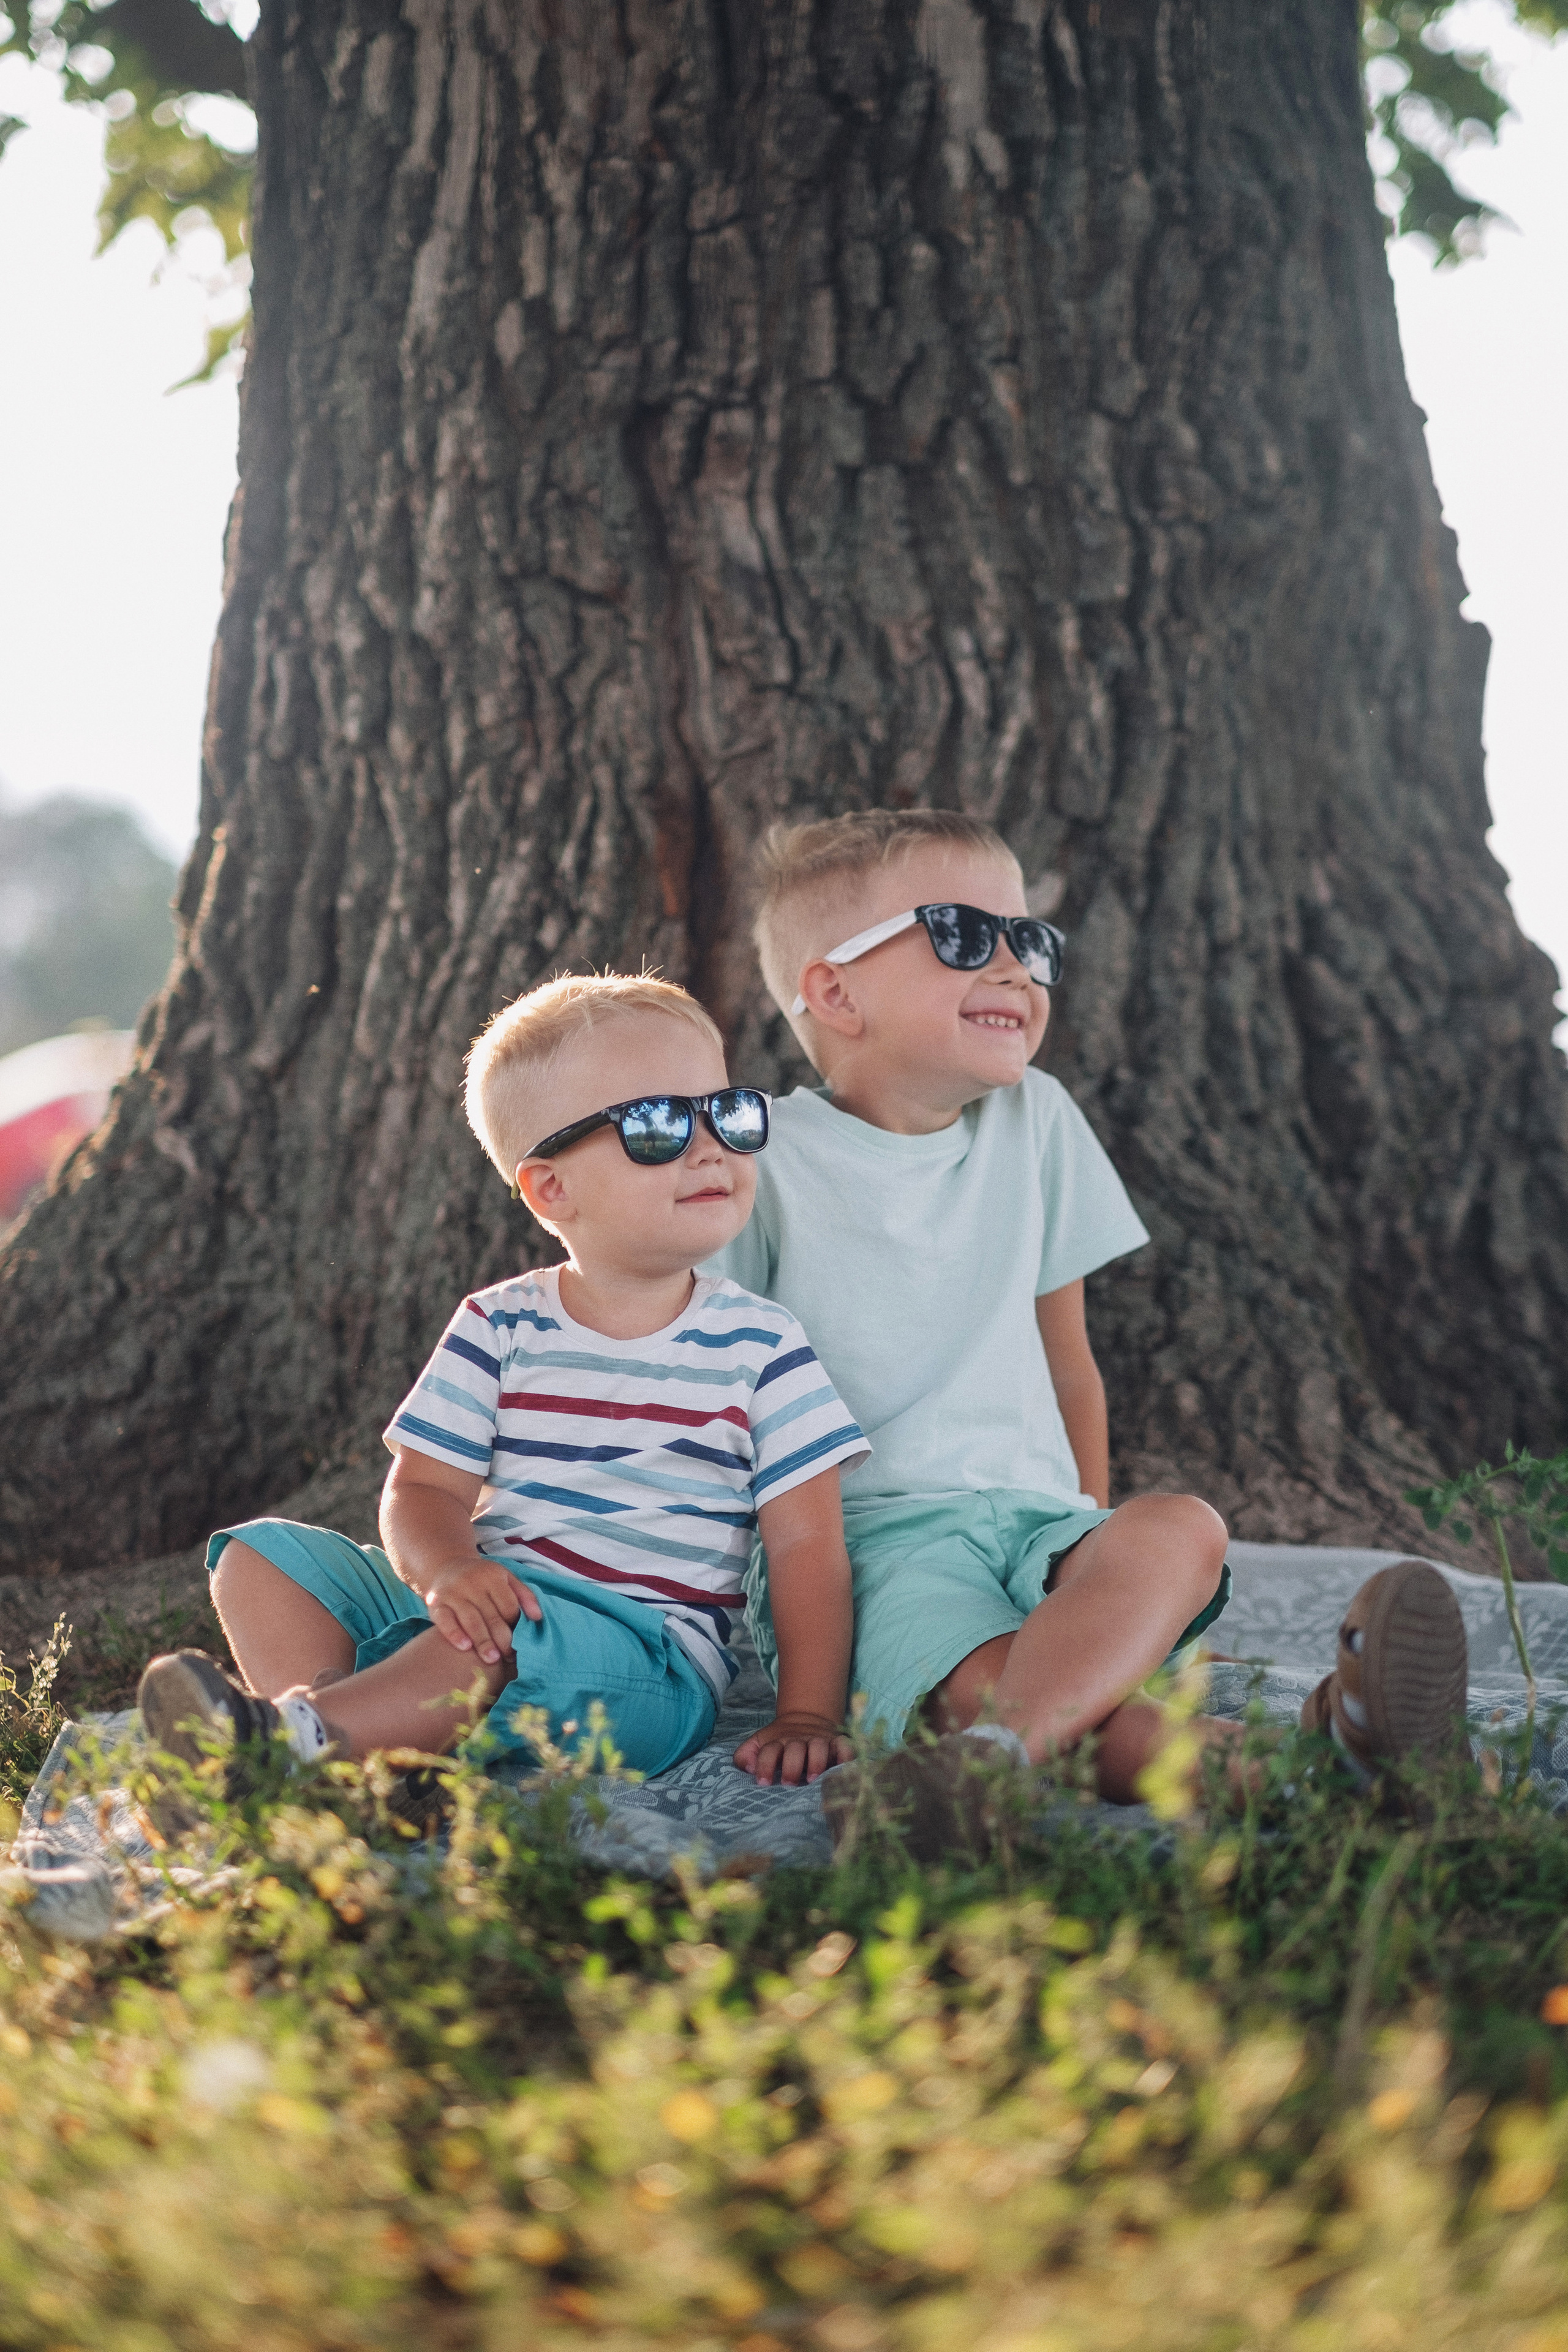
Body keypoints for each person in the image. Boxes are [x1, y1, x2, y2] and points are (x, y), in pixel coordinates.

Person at [709, 809, 1471, 1855]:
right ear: (835, 992)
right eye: (963, 936)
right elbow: (711, 1394)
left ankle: (1016, 1746)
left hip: (1042, 1526)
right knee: (1002, 1696)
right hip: (876, 1544)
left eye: (1029, 941)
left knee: (1181, 1527)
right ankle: (1316, 1764)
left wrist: (1092, 1556)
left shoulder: (1039, 1120)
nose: (1014, 967)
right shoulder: (760, 1161)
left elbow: (1069, 1364)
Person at [138, 974, 870, 1805]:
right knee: (260, 1555)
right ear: (552, 1188)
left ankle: (300, 1746)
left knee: (495, 1637)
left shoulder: (763, 1345)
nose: (710, 1149)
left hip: (644, 1667)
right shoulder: (499, 1324)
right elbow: (422, 1491)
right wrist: (448, 1568)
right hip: (485, 1608)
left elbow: (807, 1547)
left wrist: (807, 1712)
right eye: (659, 1125)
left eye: (727, 1114)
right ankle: (350, 1744)